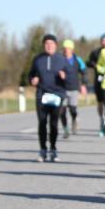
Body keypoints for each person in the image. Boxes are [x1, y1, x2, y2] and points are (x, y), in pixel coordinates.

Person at [27, 34, 69, 162]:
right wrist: (32, 80)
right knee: (42, 122)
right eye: (46, 44)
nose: (49, 46)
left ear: (56, 46)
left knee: (54, 123)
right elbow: (30, 75)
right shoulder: (38, 59)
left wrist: (64, 76)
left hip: (57, 95)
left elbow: (70, 79)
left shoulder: (62, 60)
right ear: (43, 46)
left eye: (51, 44)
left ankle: (53, 148)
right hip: (42, 94)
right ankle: (43, 149)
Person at [59, 39, 88, 138]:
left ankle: (74, 120)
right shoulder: (59, 59)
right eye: (64, 49)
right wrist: (59, 74)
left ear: (72, 49)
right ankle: (65, 129)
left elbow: (84, 71)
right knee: (61, 110)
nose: (66, 50)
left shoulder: (77, 60)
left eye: (68, 48)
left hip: (74, 88)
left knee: (73, 109)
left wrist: (83, 85)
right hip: (62, 88)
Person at [85, 33, 105, 134]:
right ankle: (101, 119)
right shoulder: (95, 52)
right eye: (103, 40)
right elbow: (88, 62)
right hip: (99, 80)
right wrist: (94, 64)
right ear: (101, 41)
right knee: (100, 102)